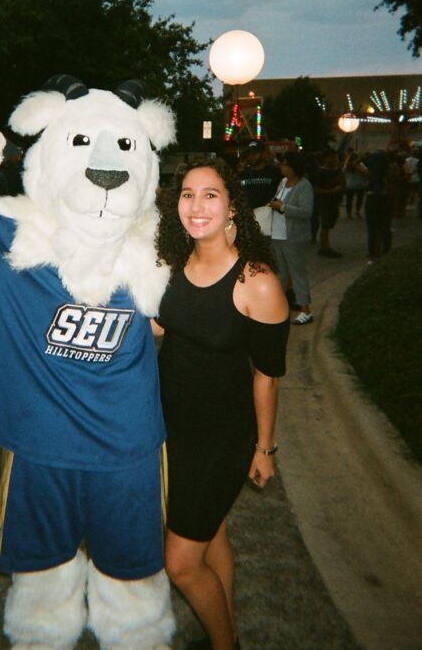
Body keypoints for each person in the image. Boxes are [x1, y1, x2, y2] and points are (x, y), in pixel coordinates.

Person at [154, 156, 289, 650]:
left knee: (181, 563)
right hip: (173, 429)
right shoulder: (174, 267)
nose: (197, 205)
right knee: (214, 534)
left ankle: (224, 644)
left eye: (211, 194)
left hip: (223, 438)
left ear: (233, 205)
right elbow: (163, 326)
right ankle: (225, 624)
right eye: (188, 194)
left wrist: (264, 449)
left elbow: (267, 377)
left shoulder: (256, 281)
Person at [269, 152, 315, 325]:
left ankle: (306, 310)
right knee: (280, 274)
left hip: (294, 237)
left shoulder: (304, 186)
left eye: (285, 164)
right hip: (277, 234)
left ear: (294, 167)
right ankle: (280, 308)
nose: (282, 167)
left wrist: (283, 207)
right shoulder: (282, 182)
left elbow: (306, 212)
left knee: (297, 273)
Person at [313, 148, 344, 258]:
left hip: (334, 202)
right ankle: (325, 247)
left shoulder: (336, 171)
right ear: (326, 159)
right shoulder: (321, 172)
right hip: (324, 203)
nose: (335, 159)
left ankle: (325, 247)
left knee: (329, 225)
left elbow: (341, 184)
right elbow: (316, 190)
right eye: (332, 157)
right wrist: (331, 191)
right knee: (325, 226)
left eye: (335, 157)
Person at [342, 150, 366, 218]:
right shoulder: (360, 165)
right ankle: (357, 211)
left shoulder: (347, 165)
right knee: (358, 199)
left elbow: (343, 172)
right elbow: (365, 172)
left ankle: (349, 212)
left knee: (349, 200)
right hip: (359, 185)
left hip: (350, 185)